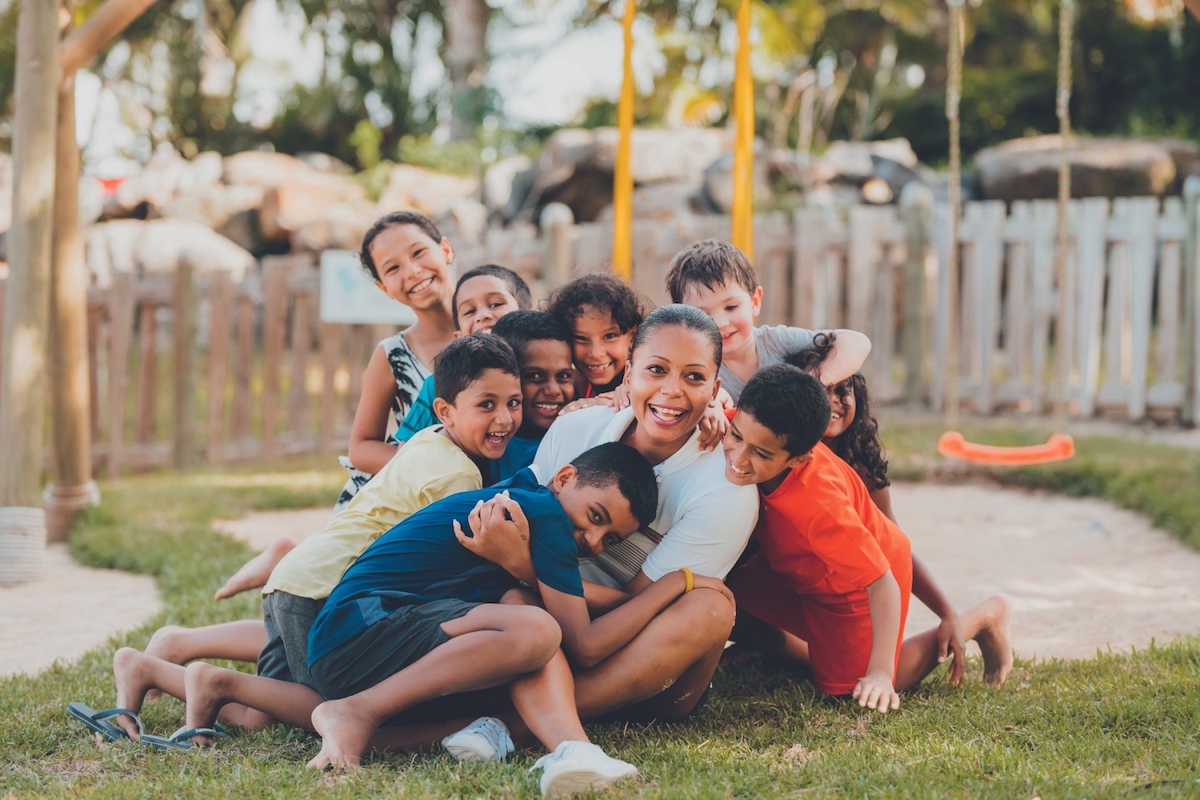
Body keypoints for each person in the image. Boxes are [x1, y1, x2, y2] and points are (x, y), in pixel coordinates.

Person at [93, 334, 524, 743]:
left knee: (261, 714)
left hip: (295, 577)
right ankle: (214, 680)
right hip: (328, 590)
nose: (504, 418)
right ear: (446, 411)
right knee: (332, 704)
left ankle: (147, 669)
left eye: (513, 402)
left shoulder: (429, 440)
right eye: (487, 404)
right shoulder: (458, 478)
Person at [304, 443, 711, 796]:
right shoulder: (545, 514)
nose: (592, 539)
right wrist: (671, 585)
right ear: (564, 478)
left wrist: (645, 596)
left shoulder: (525, 502)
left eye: (610, 539)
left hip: (348, 647)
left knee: (522, 612)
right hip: (364, 626)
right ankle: (359, 712)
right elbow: (585, 645)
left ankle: (270, 695)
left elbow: (573, 595)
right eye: (596, 515)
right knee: (535, 629)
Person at [721, 365, 1014, 713]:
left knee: (851, 688)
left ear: (798, 460)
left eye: (761, 453)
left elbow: (882, 583)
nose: (738, 456)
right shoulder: (748, 423)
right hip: (796, 567)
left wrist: (880, 673)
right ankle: (784, 648)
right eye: (736, 436)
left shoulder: (820, 509)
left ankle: (984, 617)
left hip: (857, 586)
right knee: (726, 600)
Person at [334, 211, 463, 511]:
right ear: (384, 288)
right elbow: (361, 447)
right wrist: (428, 469)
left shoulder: (499, 326)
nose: (412, 271)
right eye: (393, 268)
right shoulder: (393, 354)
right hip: (397, 502)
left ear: (445, 249)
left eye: (418, 252)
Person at [665, 238, 872, 404]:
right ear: (685, 320)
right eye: (704, 315)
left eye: (731, 307)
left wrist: (810, 384)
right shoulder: (691, 368)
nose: (720, 323)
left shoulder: (775, 341)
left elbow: (857, 342)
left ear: (755, 301)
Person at [393, 264, 534, 445]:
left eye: (495, 304)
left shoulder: (542, 377)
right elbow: (406, 453)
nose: (482, 315)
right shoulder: (437, 386)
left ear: (526, 316)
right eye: (469, 311)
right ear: (459, 337)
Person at [485, 310, 577, 482]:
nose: (553, 390)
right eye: (534, 376)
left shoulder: (578, 439)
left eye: (563, 376)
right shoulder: (482, 437)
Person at [545, 272, 644, 399]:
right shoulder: (571, 384)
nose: (596, 353)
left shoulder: (644, 382)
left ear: (632, 336)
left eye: (609, 336)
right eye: (581, 338)